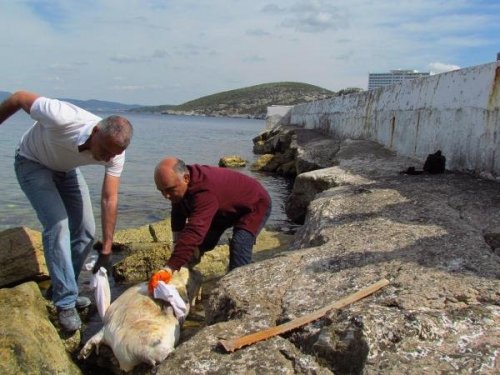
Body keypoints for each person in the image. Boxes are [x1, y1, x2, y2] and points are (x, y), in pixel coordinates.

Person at [0, 91, 133, 331]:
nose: (106, 158)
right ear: (95, 131)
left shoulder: (115, 154)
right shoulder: (63, 117)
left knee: (86, 231)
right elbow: (18, 98)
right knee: (58, 225)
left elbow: (109, 198)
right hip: (31, 162)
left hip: (66, 170)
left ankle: (61, 287)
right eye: (104, 150)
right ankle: (65, 302)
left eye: (112, 154)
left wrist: (106, 249)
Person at [149, 157, 271, 291]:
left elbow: (195, 230)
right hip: (224, 207)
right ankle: (187, 272)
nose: (166, 196)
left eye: (169, 190)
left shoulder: (204, 191)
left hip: (254, 204)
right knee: (201, 243)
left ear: (186, 178)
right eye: (161, 191)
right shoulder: (179, 187)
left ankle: (239, 291)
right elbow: (178, 214)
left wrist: (170, 267)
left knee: (239, 244)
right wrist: (176, 245)